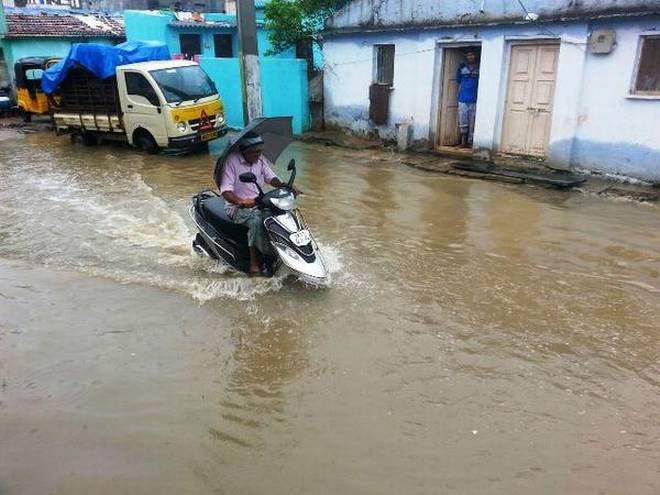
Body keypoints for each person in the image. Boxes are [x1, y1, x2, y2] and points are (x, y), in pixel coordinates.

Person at [220, 132, 298, 276]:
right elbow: (226, 191)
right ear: (243, 150)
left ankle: (289, 248)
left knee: (283, 214)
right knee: (256, 221)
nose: (258, 154)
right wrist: (240, 201)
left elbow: (271, 177)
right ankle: (254, 262)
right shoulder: (231, 161)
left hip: (260, 201)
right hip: (238, 207)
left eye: (260, 151)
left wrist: (286, 186)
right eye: (254, 152)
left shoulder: (259, 159)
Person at [456, 50, 480, 148]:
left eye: (472, 55)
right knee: (463, 121)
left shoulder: (480, 67)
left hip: (475, 99)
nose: (470, 57)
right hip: (462, 98)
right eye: (469, 55)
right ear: (466, 56)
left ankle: (470, 143)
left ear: (475, 56)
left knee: (473, 122)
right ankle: (462, 142)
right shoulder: (462, 68)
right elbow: (458, 80)